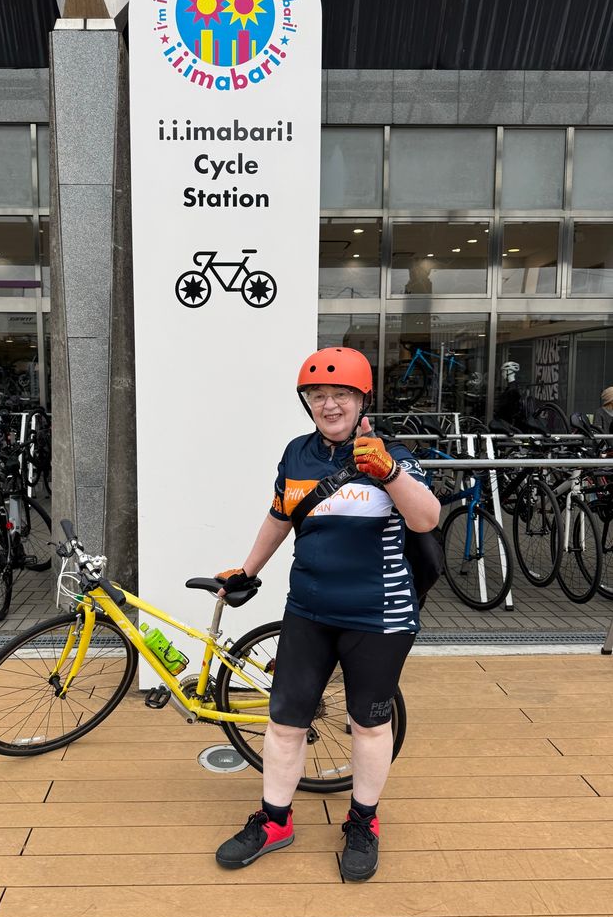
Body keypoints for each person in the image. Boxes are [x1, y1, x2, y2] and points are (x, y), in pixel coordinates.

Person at [213, 347, 440, 879]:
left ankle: (363, 822)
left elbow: (427, 518)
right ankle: (275, 821)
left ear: (363, 400)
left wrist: (387, 472)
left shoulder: (395, 455)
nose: (329, 404)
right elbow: (279, 516)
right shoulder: (297, 455)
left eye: (341, 395)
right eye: (318, 396)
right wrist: (247, 569)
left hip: (379, 616)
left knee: (367, 723)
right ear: (307, 402)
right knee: (285, 720)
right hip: (308, 610)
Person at [494, 360, 523, 427]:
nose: (502, 374)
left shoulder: (513, 389)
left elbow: (509, 409)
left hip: (508, 424)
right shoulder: (512, 387)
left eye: (503, 371)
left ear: (508, 372)